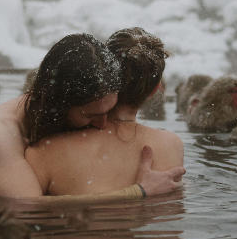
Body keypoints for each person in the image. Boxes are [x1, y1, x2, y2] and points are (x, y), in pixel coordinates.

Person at [0, 32, 184, 199]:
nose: (103, 125)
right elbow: (28, 208)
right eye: (92, 115)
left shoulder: (70, 112)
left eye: (108, 111)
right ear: (60, 103)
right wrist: (138, 191)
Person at [25, 27, 184, 196]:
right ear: (155, 90)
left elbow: (21, 208)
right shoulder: (172, 145)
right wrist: (137, 193)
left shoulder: (45, 153)